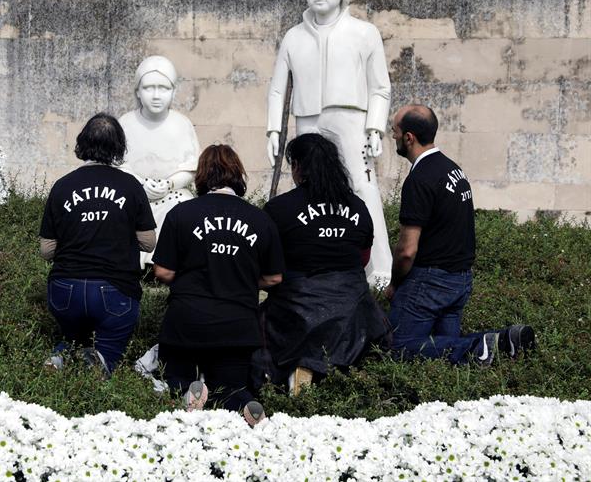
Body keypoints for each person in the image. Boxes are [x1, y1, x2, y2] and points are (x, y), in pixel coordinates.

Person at [265, 0, 393, 288]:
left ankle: (380, 265)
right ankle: (306, 256)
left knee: (362, 185)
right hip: (307, 120)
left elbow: (380, 87)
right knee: (306, 191)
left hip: (351, 119)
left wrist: (375, 127)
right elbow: (278, 89)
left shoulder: (364, 33)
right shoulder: (293, 37)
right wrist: (273, 129)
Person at [385, 105, 535, 364]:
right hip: (459, 280)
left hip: (430, 282)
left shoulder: (419, 179)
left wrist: (395, 283)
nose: (393, 137)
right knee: (448, 356)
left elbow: (407, 250)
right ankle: (501, 341)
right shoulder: (453, 169)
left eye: (394, 132)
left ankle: (481, 345)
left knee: (398, 346)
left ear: (409, 137)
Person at [152, 144, 284, 426]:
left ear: (202, 176)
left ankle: (187, 391)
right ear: (238, 175)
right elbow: (274, 278)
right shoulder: (260, 220)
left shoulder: (181, 214)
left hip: (187, 319)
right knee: (231, 387)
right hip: (237, 322)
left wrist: (190, 275)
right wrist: (245, 279)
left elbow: (162, 271)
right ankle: (244, 402)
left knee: (173, 379)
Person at [262, 133, 390, 395]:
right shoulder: (358, 207)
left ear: (297, 166)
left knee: (257, 332)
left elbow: (268, 264)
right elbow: (363, 258)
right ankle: (344, 373)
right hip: (352, 311)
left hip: (295, 307)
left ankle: (298, 369)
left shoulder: (279, 208)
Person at [39, 113, 157, 374]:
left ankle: (60, 356)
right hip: (114, 289)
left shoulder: (62, 186)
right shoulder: (130, 185)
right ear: (118, 147)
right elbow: (149, 243)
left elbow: (46, 251)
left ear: (82, 143)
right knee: (106, 354)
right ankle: (100, 363)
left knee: (73, 336)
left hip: (64, 290)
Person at [119, 55, 201, 266]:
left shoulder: (182, 124)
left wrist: (169, 184)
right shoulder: (125, 124)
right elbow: (118, 166)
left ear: (173, 91)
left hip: (171, 195)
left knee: (185, 204)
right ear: (138, 91)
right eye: (149, 88)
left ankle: (170, 264)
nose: (156, 95)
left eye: (163, 88)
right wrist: (140, 184)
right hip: (134, 195)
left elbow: (191, 167)